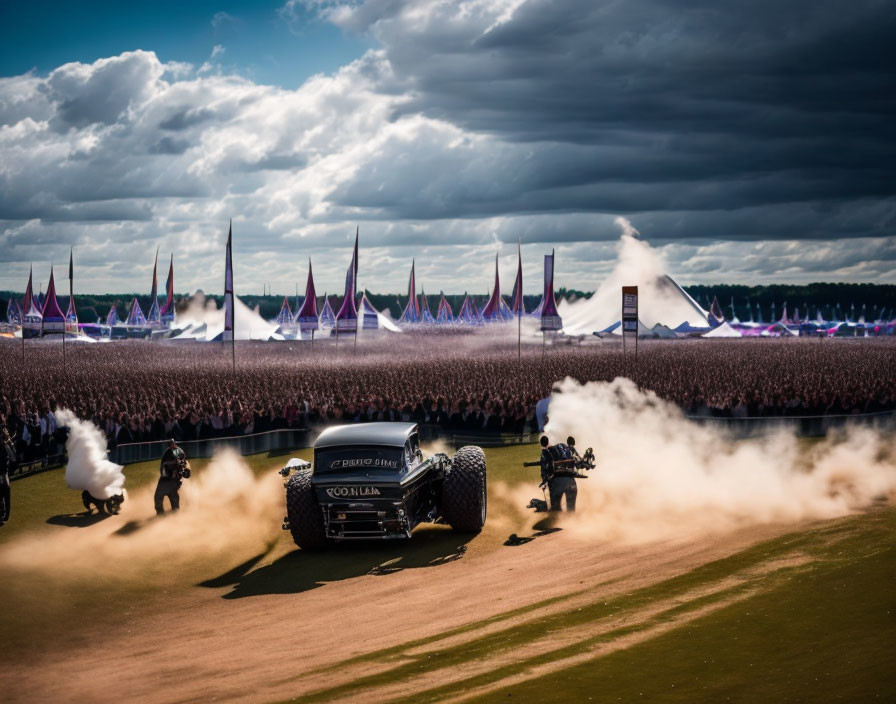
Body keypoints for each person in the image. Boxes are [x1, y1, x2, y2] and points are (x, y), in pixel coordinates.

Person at [540, 435, 577, 512]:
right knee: (571, 510)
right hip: (571, 483)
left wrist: (544, 481)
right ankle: (573, 523)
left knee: (556, 511)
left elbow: (544, 471)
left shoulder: (545, 453)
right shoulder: (569, 451)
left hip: (556, 484)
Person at [155, 439, 188, 515]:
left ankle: (174, 513)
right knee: (159, 496)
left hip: (174, 479)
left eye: (172, 444)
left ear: (175, 444)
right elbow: (163, 465)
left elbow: (183, 464)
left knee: (171, 495)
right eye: (170, 444)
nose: (172, 445)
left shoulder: (179, 452)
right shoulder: (168, 452)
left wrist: (178, 468)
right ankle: (161, 514)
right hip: (166, 478)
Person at [0, 425, 14, 526]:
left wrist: (8, 443)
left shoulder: (5, 444)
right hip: (2, 475)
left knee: (5, 492)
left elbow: (13, 457)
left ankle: (4, 515)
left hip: (4, 474)